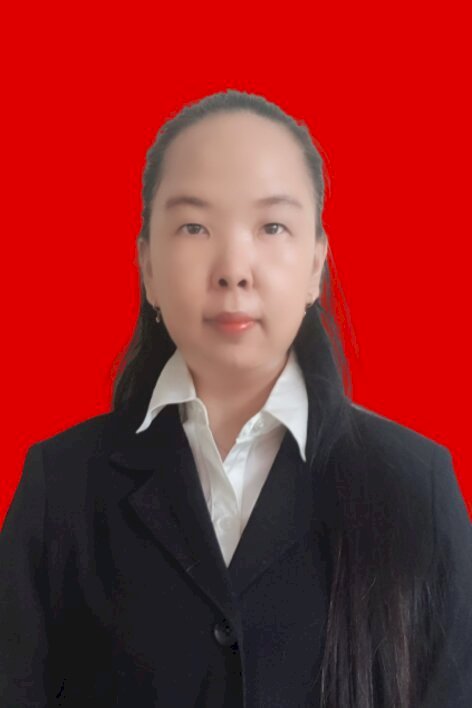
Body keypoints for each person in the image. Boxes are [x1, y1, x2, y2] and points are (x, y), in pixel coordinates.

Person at [1, 89, 471, 708]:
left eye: (272, 226)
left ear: (315, 265)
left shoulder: (417, 486)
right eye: (194, 227)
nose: (233, 269)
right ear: (147, 266)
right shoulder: (59, 486)